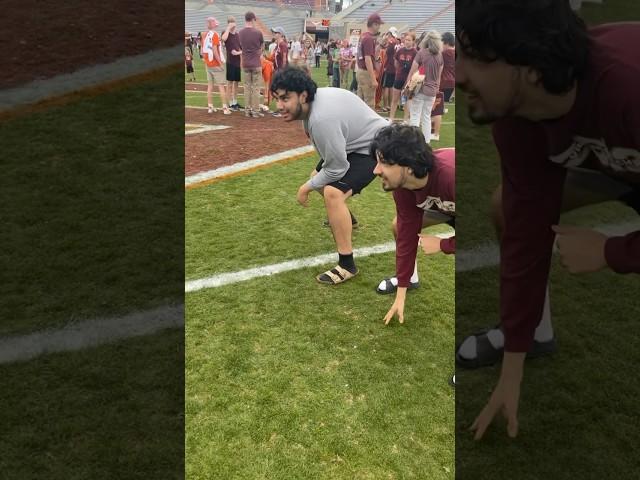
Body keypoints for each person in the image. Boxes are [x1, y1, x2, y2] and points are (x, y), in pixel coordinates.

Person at [455, 0, 640, 440]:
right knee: (509, 207)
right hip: (616, 161)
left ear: (532, 68)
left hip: (624, 140)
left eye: (476, 59)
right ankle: (536, 331)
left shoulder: (630, 87)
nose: (458, 75)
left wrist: (612, 251)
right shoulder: (517, 116)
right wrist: (512, 368)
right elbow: (525, 230)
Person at [271, 67, 389, 284]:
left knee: (333, 193)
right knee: (317, 176)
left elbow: (337, 168)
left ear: (303, 95)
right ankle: (348, 220)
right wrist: (313, 180)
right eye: (277, 99)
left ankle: (347, 265)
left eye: (285, 98)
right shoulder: (315, 104)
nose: (279, 106)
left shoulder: (321, 118)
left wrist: (304, 188)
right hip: (356, 143)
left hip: (376, 147)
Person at [372, 125, 456, 322]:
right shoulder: (403, 187)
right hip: (444, 206)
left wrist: (444, 244)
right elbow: (407, 235)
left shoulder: (451, 176)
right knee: (399, 226)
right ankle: (411, 279)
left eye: (384, 163)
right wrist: (400, 295)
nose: (376, 170)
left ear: (408, 166)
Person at [202, 17, 231, 115]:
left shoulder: (204, 34)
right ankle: (225, 108)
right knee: (221, 86)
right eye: (215, 22)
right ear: (212, 23)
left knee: (210, 86)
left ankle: (210, 107)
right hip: (215, 64)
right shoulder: (214, 34)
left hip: (208, 63)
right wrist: (220, 62)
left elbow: (203, 50)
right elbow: (214, 50)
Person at [238, 11, 264, 118]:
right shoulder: (258, 33)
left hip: (245, 63)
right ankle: (255, 111)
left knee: (247, 88)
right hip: (256, 63)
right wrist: (258, 53)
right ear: (253, 19)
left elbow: (240, 48)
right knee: (256, 88)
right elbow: (262, 47)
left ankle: (247, 111)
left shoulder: (240, 33)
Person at [356, 13, 384, 108]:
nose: (379, 27)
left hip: (360, 70)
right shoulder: (368, 38)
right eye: (378, 24)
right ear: (374, 24)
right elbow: (368, 59)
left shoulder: (363, 35)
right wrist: (373, 79)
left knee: (360, 100)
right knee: (369, 103)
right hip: (366, 72)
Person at [389, 32, 417, 122]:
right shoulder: (400, 50)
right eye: (405, 40)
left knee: (406, 100)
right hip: (399, 77)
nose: (407, 42)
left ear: (413, 41)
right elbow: (396, 62)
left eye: (409, 40)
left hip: (409, 79)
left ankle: (405, 119)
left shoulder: (415, 52)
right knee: (395, 99)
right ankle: (391, 118)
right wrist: (399, 71)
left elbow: (417, 67)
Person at [222, 16, 243, 111]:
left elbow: (241, 49)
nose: (233, 24)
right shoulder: (225, 33)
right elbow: (223, 39)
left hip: (237, 62)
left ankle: (235, 102)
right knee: (229, 83)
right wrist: (228, 28)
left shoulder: (238, 35)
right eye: (231, 22)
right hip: (230, 62)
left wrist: (239, 53)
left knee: (236, 83)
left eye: (233, 22)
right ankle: (230, 103)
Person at [381, 27, 400, 113]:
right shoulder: (397, 42)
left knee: (385, 87)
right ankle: (390, 105)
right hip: (395, 67)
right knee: (391, 87)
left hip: (388, 66)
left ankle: (385, 106)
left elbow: (387, 54)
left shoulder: (391, 42)